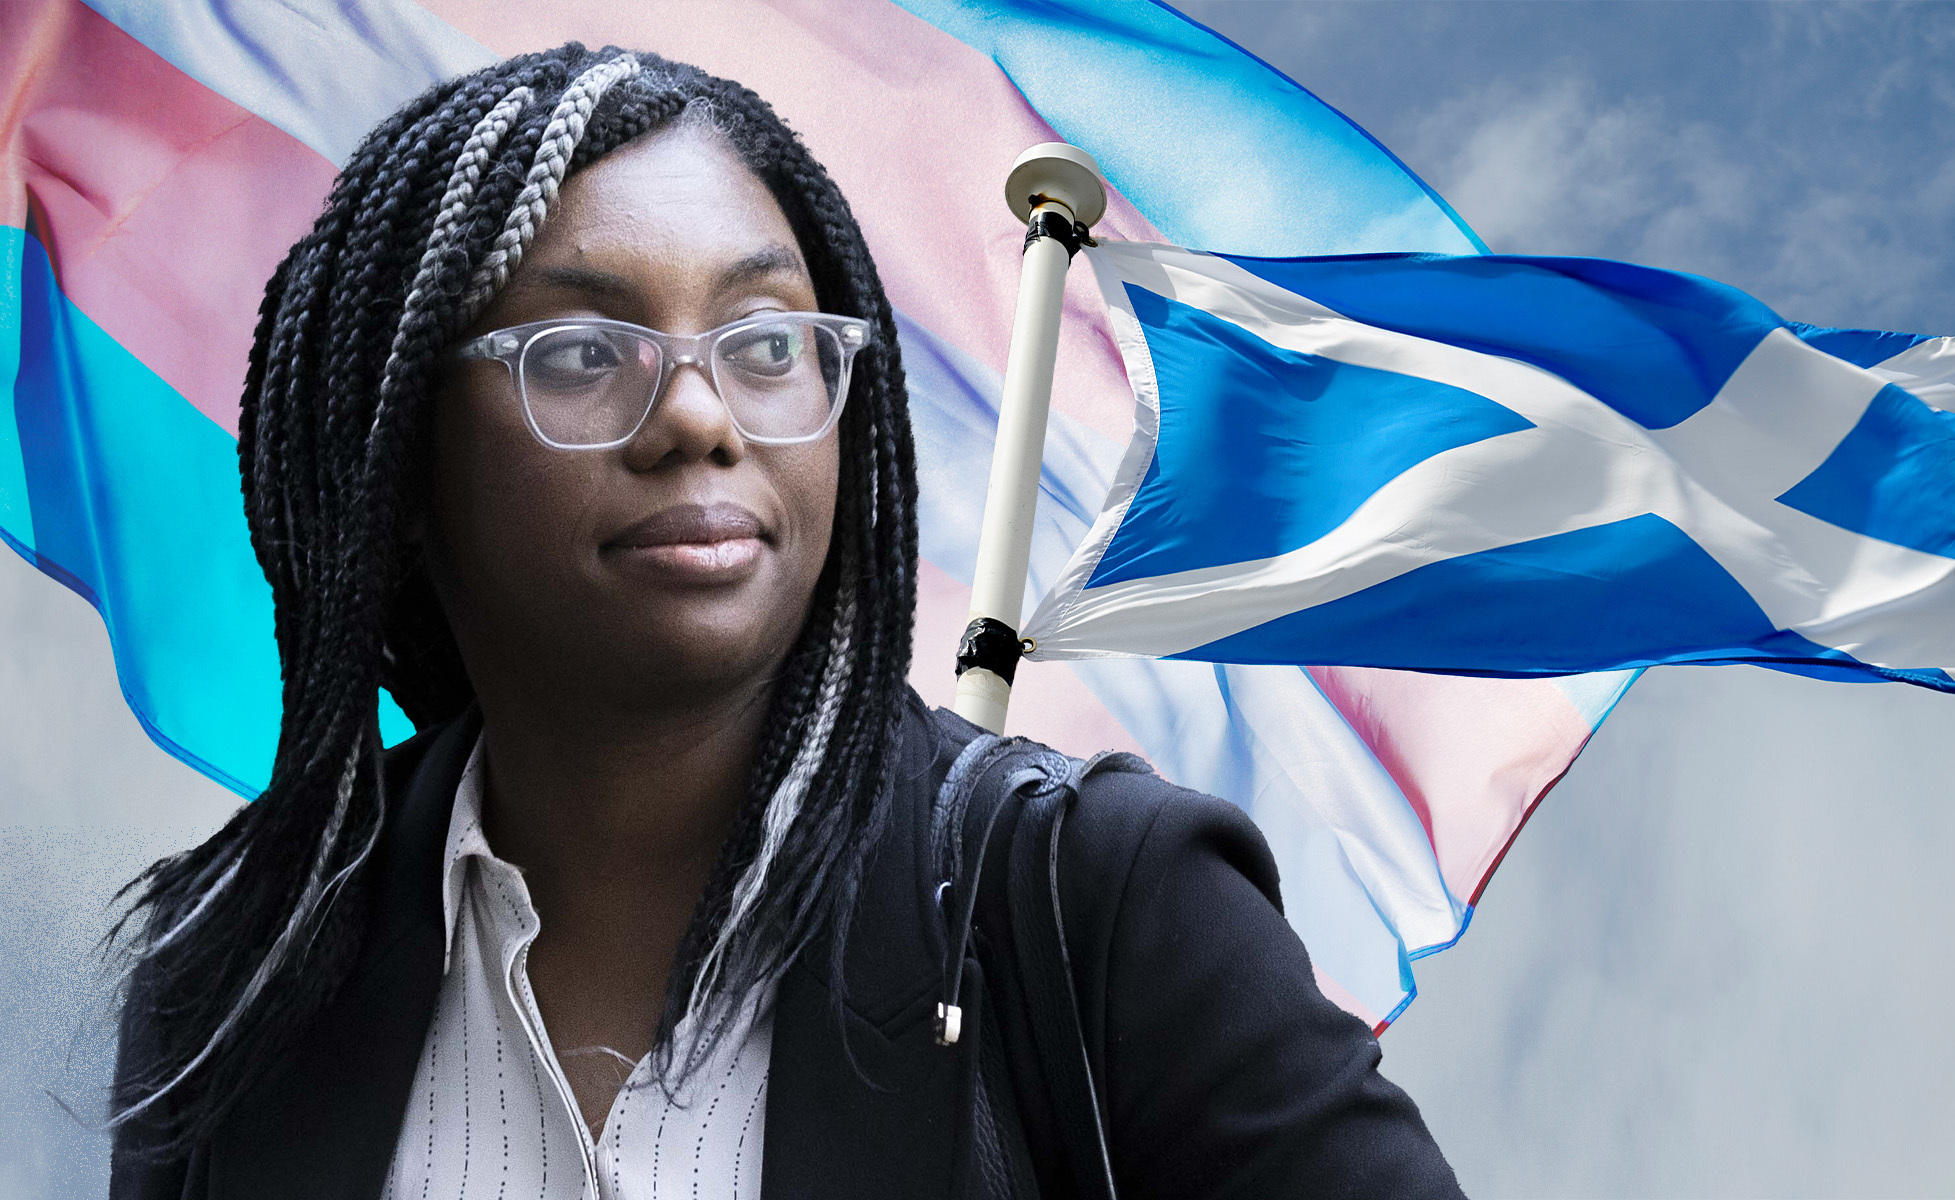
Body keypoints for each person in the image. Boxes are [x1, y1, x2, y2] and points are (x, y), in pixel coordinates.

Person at [106, 44, 1465, 1200]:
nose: (700, 416)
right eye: (581, 353)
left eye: (765, 344)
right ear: (402, 458)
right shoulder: (238, 968)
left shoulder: (1104, 901)